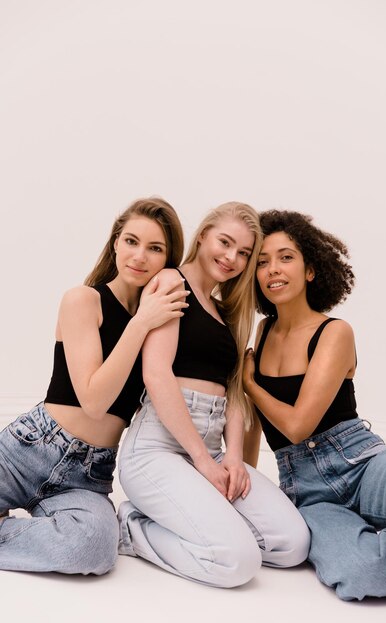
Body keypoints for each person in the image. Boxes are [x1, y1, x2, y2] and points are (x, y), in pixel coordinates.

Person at [118, 201, 310, 588]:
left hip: (211, 445)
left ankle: (201, 523)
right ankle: (130, 527)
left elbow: (234, 393)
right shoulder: (171, 282)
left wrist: (235, 458)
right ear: (203, 234)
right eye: (225, 242)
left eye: (243, 253)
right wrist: (203, 460)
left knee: (293, 545)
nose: (231, 258)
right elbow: (156, 375)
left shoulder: (228, 312)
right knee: (235, 563)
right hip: (158, 446)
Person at [0, 197, 188, 575]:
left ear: (168, 259)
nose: (139, 256)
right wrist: (140, 323)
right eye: (131, 241)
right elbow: (94, 400)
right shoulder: (84, 300)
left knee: (95, 551)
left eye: (155, 248)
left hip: (89, 474)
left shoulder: (163, 324)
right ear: (115, 242)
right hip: (30, 449)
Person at [243, 209, 386, 601]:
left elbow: (298, 425)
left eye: (286, 257)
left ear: (310, 270)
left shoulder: (334, 331)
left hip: (362, 465)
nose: (274, 269)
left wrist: (250, 384)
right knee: (363, 573)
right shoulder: (262, 330)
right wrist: (246, 484)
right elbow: (255, 425)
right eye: (263, 261)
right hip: (308, 492)